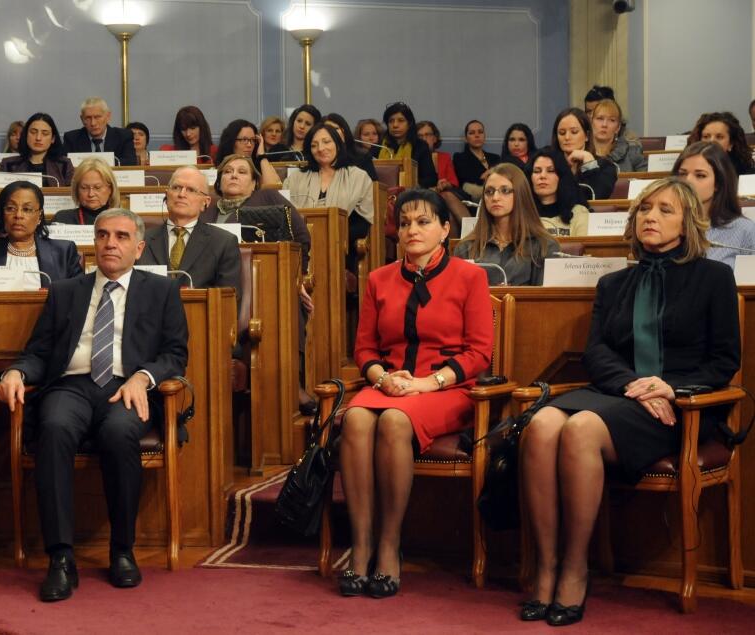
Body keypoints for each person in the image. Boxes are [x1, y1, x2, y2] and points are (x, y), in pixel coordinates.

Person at [519, 177, 739, 626]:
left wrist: (670, 390)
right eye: (644, 209)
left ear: (688, 223)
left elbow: (724, 361)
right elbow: (597, 353)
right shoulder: (614, 283)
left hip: (677, 409)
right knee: (540, 425)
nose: (650, 217)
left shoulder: (715, 277)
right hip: (619, 395)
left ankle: (576, 569)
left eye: (664, 210)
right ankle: (544, 567)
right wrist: (635, 387)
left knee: (579, 429)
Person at [0, 208, 188, 599]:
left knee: (119, 433)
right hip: (71, 385)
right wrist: (14, 373)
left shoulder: (161, 291)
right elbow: (39, 351)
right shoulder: (67, 291)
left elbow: (174, 353)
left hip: (126, 386)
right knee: (53, 428)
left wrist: (143, 376)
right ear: (94, 243)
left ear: (138, 247)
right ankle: (61, 558)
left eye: (120, 236)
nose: (110, 243)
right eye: (103, 235)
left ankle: (122, 550)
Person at [337, 188, 493, 598]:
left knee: (393, 420)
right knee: (353, 417)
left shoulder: (470, 276)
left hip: (447, 387)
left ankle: (389, 547)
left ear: (445, 228)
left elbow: (480, 353)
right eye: (405, 223)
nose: (412, 230)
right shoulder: (378, 279)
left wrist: (427, 383)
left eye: (423, 221)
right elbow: (365, 349)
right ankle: (360, 545)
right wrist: (381, 378)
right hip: (389, 383)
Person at [205, 153, 315, 412]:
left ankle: (292, 384)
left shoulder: (267, 198)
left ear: (254, 182)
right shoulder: (206, 208)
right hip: (218, 286)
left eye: (242, 172)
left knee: (282, 301)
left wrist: (296, 276)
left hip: (266, 283)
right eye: (228, 171)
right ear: (219, 182)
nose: (233, 175)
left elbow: (300, 238)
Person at [284, 123, 374, 273]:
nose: (320, 149)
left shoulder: (358, 176)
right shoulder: (295, 178)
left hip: (343, 246)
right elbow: (286, 216)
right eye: (314, 145)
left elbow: (364, 221)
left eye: (326, 142)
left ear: (338, 144)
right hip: (300, 245)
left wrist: (327, 237)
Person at [138, 166, 241, 294]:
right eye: (176, 188)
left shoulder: (223, 242)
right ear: (166, 195)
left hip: (199, 312)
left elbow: (228, 297)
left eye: (191, 190)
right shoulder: (141, 239)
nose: (181, 194)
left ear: (206, 202)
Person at [454, 163, 560, 285]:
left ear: (521, 194)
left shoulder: (545, 246)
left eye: (505, 190)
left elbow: (545, 301)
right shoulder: (466, 248)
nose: (495, 197)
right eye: (489, 191)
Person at [0, 180, 82, 289]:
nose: (18, 215)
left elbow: (78, 296)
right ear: (2, 213)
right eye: (11, 208)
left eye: (27, 209)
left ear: (39, 216)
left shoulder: (64, 252)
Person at [674, 141, 755, 268]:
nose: (688, 181)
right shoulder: (665, 225)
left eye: (700, 175)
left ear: (718, 183)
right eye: (683, 174)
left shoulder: (745, 230)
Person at [550, 108, 617, 200]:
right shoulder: (548, 164)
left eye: (574, 132)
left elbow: (597, 196)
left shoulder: (606, 167)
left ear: (587, 135)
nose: (567, 137)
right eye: (562, 133)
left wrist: (588, 162)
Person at [525, 148, 590, 236]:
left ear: (561, 176)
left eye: (550, 171)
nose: (542, 176)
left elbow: (584, 247)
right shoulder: (521, 213)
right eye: (537, 171)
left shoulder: (579, 212)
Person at [0, 113, 74, 186]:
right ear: (26, 135)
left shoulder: (64, 164)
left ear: (53, 139)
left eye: (45, 134)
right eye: (33, 132)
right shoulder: (7, 164)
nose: (38, 138)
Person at [61, 97, 137, 165]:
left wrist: (97, 163)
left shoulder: (124, 136)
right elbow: (64, 165)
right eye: (88, 118)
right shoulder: (71, 138)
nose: (93, 123)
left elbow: (131, 162)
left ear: (108, 116)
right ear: (82, 119)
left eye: (97, 117)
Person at [378, 102, 437, 187]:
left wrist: (412, 186)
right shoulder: (378, 146)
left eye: (401, 121)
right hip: (380, 193)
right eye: (391, 121)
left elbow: (431, 179)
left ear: (409, 124)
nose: (395, 125)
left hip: (411, 194)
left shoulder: (420, 146)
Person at [53, 158, 120, 225]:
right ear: (76, 190)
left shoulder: (124, 220)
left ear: (110, 189)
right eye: (84, 188)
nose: (91, 194)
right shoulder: (62, 219)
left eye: (97, 187)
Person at [214, 119, 282, 185]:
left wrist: (261, 156)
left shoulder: (260, 166)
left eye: (252, 140)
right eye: (244, 139)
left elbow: (274, 187)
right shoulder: (220, 169)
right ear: (231, 142)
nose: (249, 145)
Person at [687, 111, 754, 176]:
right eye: (706, 136)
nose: (712, 141)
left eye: (719, 137)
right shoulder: (687, 168)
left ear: (731, 144)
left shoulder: (746, 172)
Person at [591, 99, 646, 172]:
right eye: (600, 118)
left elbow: (645, 179)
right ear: (591, 123)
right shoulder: (581, 152)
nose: (604, 124)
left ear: (618, 127)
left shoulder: (632, 153)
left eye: (612, 120)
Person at [453, 119, 501, 201]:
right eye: (472, 133)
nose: (477, 135)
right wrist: (491, 173)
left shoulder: (495, 157)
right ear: (466, 138)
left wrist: (488, 174)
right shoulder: (459, 157)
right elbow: (466, 181)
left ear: (484, 136)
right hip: (472, 198)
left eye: (480, 132)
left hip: (497, 194)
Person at [323, 113, 378, 181]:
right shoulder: (319, 157)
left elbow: (373, 185)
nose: (332, 132)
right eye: (328, 129)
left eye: (335, 128)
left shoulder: (362, 157)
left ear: (344, 131)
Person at [416, 121, 459, 190]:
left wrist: (445, 184)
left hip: (441, 194)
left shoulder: (445, 157)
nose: (424, 139)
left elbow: (453, 182)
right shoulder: (412, 158)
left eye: (427, 135)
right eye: (419, 136)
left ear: (435, 138)